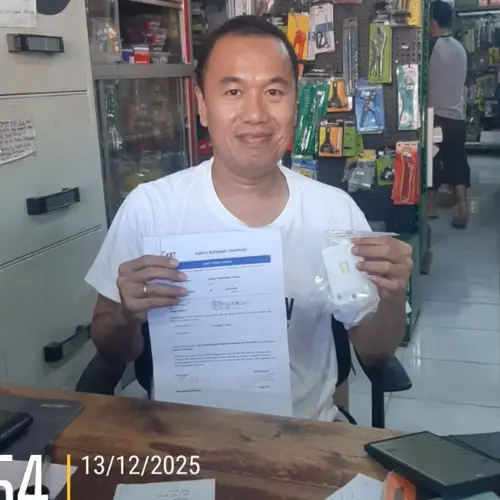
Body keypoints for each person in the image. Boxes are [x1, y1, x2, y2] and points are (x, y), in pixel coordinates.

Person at [84, 15, 412, 422]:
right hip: (182, 435)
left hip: (302, 434)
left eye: (273, 91)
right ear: (202, 106)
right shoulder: (151, 209)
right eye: (234, 91)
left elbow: (375, 353)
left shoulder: (333, 211)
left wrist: (393, 296)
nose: (255, 114)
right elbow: (108, 346)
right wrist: (127, 316)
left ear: (295, 104)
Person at [427, 0, 470, 228]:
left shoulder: (431, 47)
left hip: (436, 119)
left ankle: (431, 207)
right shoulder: (460, 48)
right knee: (457, 163)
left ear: (432, 21)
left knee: (432, 162)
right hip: (457, 119)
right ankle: (463, 208)